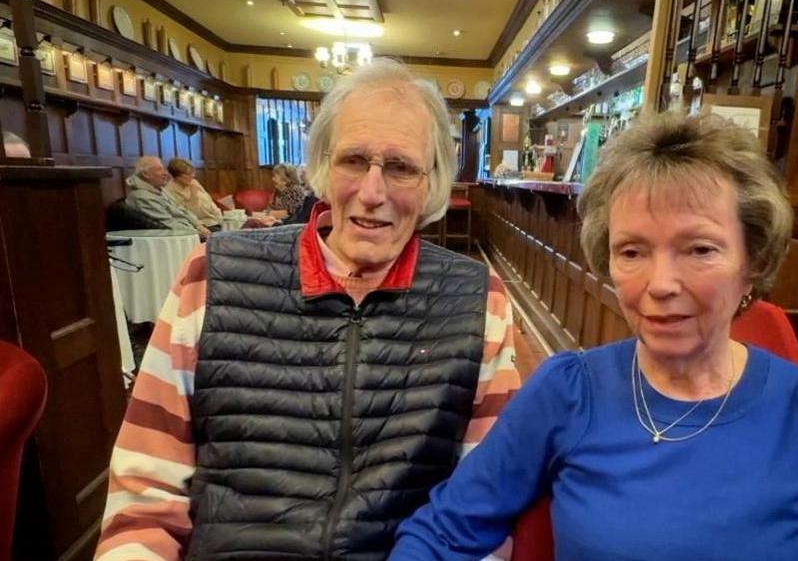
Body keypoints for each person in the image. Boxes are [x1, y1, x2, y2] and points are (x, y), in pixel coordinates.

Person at [391, 113, 798, 560]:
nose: (660, 284)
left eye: (699, 249)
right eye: (632, 252)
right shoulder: (569, 391)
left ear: (753, 260)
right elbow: (441, 532)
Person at [94, 58, 521, 560]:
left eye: (401, 167)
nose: (372, 193)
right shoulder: (210, 275)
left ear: (433, 183)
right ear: (321, 167)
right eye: (353, 161)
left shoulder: (477, 296)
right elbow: (144, 498)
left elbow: (482, 508)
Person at [124, 156, 211, 238]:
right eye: (159, 169)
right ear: (146, 174)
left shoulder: (159, 189)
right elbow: (168, 224)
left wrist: (199, 225)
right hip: (176, 238)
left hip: (190, 231)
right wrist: (197, 232)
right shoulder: (142, 197)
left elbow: (181, 210)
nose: (165, 173)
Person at [164, 157, 224, 231]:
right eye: (188, 174)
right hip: (200, 226)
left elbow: (210, 202)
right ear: (177, 176)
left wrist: (221, 220)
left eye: (193, 172)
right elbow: (191, 214)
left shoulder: (194, 182)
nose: (193, 176)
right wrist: (193, 195)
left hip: (214, 221)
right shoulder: (170, 191)